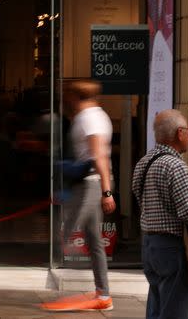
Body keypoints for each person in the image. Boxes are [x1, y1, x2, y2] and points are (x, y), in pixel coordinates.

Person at [40, 79, 115, 312]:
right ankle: (103, 294)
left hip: (92, 184)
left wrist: (106, 193)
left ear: (75, 98)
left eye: (67, 97)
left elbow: (99, 156)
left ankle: (101, 292)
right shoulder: (95, 115)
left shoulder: (91, 118)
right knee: (93, 241)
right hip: (90, 182)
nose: (65, 101)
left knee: (67, 231)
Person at [132, 109, 188, 319]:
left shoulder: (144, 162)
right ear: (180, 133)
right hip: (172, 247)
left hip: (149, 245)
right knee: (175, 311)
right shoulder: (176, 166)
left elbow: (139, 198)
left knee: (156, 307)